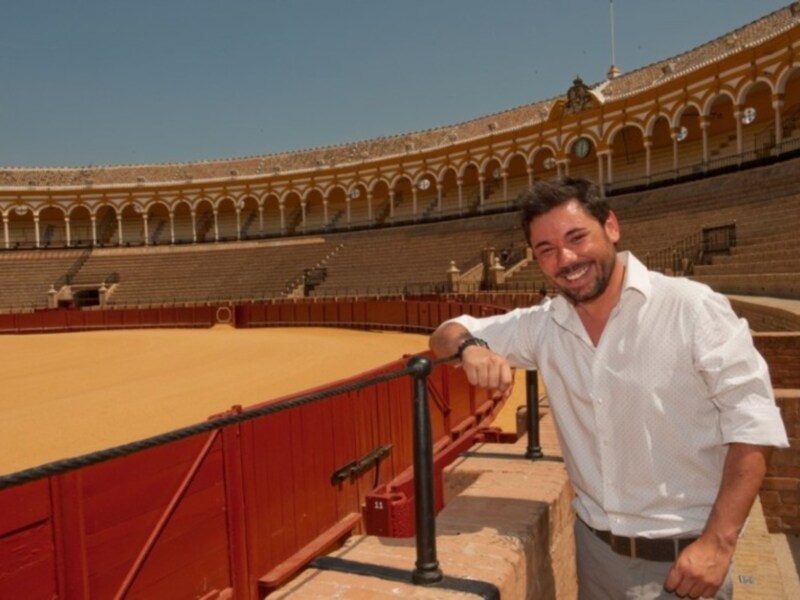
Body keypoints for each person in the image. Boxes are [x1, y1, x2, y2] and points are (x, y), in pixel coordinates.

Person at [429, 178, 788, 599]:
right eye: (546, 249)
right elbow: (444, 335)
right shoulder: (544, 325)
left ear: (611, 227)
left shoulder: (691, 307)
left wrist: (719, 543)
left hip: (685, 563)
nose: (565, 258)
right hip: (595, 556)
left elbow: (754, 423)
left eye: (576, 237)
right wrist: (471, 348)